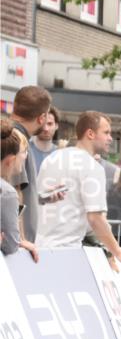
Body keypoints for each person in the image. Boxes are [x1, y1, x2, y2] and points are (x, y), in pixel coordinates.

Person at [35, 112, 121, 271]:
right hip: (67, 253)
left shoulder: (52, 158)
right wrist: (117, 252)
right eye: (106, 133)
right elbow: (95, 218)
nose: (110, 138)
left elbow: (37, 200)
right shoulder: (92, 167)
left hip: (39, 248)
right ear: (90, 133)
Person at [8, 85, 63, 242]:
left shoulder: (11, 135)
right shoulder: (18, 139)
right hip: (14, 245)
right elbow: (14, 192)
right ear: (41, 118)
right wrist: (21, 240)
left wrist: (40, 197)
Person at [1, 119, 38, 261]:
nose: (26, 156)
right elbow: (10, 246)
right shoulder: (7, 193)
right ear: (10, 160)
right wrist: (16, 241)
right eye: (24, 151)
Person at [28, 107, 60, 172]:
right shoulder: (25, 150)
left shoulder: (60, 153)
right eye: (42, 124)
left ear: (56, 126)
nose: (46, 129)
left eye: (50, 124)